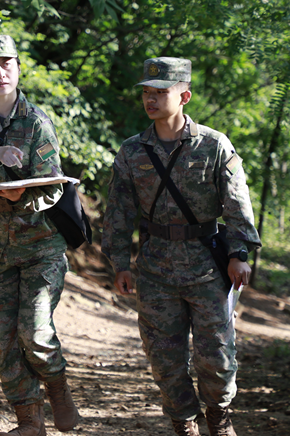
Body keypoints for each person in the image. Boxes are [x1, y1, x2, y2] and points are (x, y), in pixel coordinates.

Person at [101, 57, 261, 436]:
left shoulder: (214, 145)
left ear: (184, 95)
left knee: (216, 358)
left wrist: (239, 254)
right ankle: (183, 424)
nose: (151, 100)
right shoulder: (132, 151)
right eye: (146, 92)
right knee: (164, 358)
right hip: (155, 268)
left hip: (208, 268)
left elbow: (237, 205)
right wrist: (120, 263)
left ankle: (219, 419)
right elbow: (118, 212)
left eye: (161, 92)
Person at [0, 35, 79, 436]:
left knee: (34, 332)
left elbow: (54, 185)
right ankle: (29, 421)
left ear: (18, 67)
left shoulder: (37, 121)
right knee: (3, 338)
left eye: (6, 64)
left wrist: (20, 195)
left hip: (40, 245)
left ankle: (56, 385)